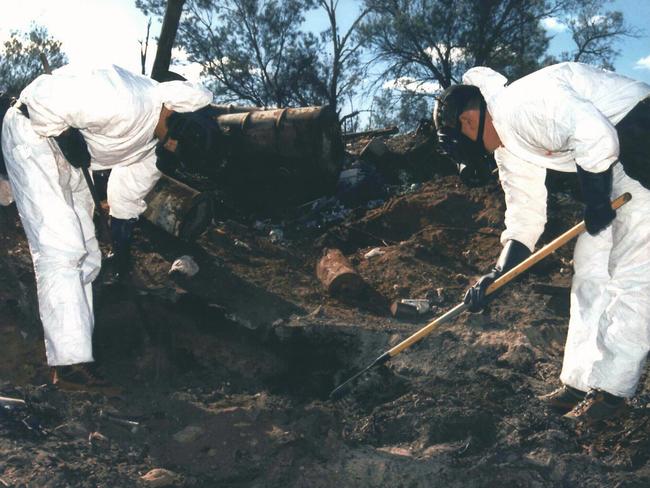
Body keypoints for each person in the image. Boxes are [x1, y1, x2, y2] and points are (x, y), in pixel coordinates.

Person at [433, 62, 650, 424]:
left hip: (641, 138)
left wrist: (597, 201)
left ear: (468, 121)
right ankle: (580, 383)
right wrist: (497, 274)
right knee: (591, 266)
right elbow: (525, 215)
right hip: (615, 161)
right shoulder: (506, 143)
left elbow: (596, 136)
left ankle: (612, 391)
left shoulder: (521, 105)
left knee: (633, 270)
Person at [0, 64, 217, 392]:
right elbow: (43, 96)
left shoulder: (153, 147)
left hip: (70, 160)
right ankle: (69, 365)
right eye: (173, 140)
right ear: (173, 113)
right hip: (33, 134)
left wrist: (122, 249)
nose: (170, 148)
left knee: (88, 256)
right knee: (61, 248)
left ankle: (80, 350)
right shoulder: (123, 95)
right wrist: (60, 131)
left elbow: (126, 197)